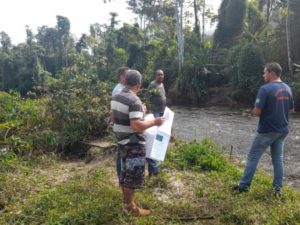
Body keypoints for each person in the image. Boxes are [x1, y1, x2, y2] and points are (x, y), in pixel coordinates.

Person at [234, 62, 294, 196]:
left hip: (267, 130)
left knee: (252, 157)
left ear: (272, 73)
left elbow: (257, 112)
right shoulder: (287, 88)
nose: (263, 75)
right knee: (278, 159)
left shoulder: (265, 89)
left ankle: (243, 186)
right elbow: (291, 109)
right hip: (282, 130)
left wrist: (251, 111)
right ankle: (277, 190)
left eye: (265, 72)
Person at [111, 70, 165, 216]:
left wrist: (141, 111)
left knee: (124, 174)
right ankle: (130, 208)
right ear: (138, 84)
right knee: (132, 177)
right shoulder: (134, 101)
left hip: (122, 141)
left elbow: (116, 117)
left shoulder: (116, 97)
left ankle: (126, 202)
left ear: (125, 81)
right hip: (133, 144)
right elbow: (135, 126)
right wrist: (155, 121)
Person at [147, 69, 167, 176]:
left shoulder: (162, 85)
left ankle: (157, 160)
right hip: (155, 112)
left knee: (160, 137)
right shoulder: (152, 85)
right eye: (159, 74)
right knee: (153, 138)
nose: (161, 76)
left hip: (162, 112)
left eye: (162, 75)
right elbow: (147, 97)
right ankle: (153, 168)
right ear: (155, 75)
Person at [112, 67, 129, 181]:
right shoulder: (118, 90)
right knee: (121, 152)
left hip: (124, 125)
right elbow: (117, 110)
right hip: (121, 126)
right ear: (122, 76)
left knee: (124, 151)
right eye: (128, 75)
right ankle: (121, 177)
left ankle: (124, 175)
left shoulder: (124, 88)